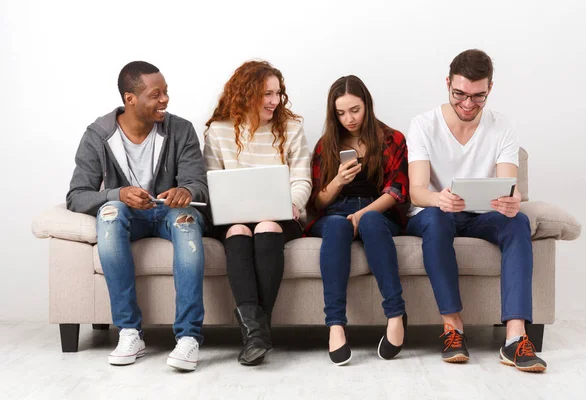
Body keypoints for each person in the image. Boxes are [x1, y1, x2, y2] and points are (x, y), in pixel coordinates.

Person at [406, 49, 547, 372]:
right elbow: (416, 190)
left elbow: (508, 184)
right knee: (438, 219)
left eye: (478, 96)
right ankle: (453, 329)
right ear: (447, 84)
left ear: (490, 89)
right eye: (460, 95)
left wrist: (513, 198)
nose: (468, 104)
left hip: (480, 215)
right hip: (434, 213)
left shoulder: (501, 127)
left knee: (518, 222)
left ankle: (514, 339)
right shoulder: (423, 125)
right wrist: (439, 198)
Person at [66, 61, 209, 371]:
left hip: (170, 213)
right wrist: (117, 194)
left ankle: (188, 338)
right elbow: (77, 196)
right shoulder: (97, 135)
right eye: (156, 94)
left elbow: (198, 183)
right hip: (127, 216)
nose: (165, 100)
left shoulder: (180, 129)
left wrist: (186, 191)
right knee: (109, 213)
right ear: (130, 98)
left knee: (186, 221)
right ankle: (130, 332)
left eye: (166, 92)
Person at [203, 60, 311, 366]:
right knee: (237, 230)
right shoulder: (219, 132)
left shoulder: (291, 128)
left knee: (266, 226)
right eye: (267, 94)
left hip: (280, 216)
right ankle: (257, 334)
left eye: (278, 93)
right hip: (232, 216)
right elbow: (211, 181)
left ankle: (256, 334)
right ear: (246, 94)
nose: (275, 101)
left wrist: (292, 204)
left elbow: (302, 179)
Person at [306, 75, 410, 365]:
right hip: (336, 212)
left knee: (371, 222)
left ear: (367, 105)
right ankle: (336, 326)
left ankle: (396, 315)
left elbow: (397, 191)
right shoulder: (326, 145)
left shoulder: (392, 139)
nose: (348, 119)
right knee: (339, 224)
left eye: (355, 110)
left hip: (378, 212)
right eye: (340, 113)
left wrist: (364, 213)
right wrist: (338, 180)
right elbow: (316, 202)